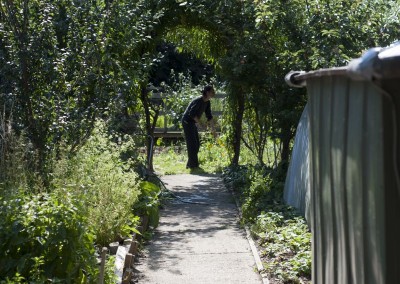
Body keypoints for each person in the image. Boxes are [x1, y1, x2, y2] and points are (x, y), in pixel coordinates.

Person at [181, 85, 216, 169]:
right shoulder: (198, 101)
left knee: (197, 144)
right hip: (187, 122)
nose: (213, 93)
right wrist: (200, 124)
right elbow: (191, 114)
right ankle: (193, 166)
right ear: (207, 92)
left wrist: (213, 130)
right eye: (212, 92)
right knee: (192, 144)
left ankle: (190, 164)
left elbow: (209, 116)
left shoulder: (207, 102)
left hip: (192, 123)